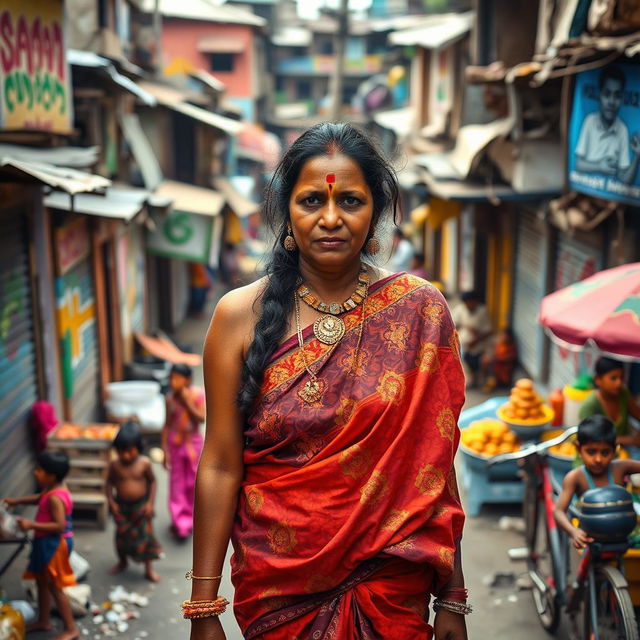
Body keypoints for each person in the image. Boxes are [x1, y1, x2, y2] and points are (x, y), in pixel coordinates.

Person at [188, 123, 468, 640]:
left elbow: (432, 466)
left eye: (352, 201)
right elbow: (222, 464)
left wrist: (453, 593)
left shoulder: (419, 311)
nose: (332, 218)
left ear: (376, 213)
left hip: (389, 588)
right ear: (286, 212)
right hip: (279, 591)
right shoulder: (237, 317)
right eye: (313, 199)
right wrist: (204, 607)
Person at [2, 450, 79, 640]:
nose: (35, 472)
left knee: (54, 586)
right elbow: (39, 498)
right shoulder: (54, 488)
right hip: (45, 541)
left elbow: (59, 525)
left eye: (39, 470)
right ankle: (44, 620)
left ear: (51, 475)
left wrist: (31, 525)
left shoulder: (55, 498)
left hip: (54, 544)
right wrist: (17, 501)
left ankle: (71, 628)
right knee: (41, 582)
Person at [554, 415, 640, 549]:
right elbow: (559, 512)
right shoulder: (576, 477)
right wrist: (573, 531)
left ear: (614, 450)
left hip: (622, 531)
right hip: (590, 532)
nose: (598, 459)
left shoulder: (621, 468)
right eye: (591, 452)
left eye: (605, 453)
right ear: (578, 449)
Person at [106, 421, 162, 582]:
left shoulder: (144, 463)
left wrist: (150, 503)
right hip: (122, 507)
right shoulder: (115, 465)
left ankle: (148, 569)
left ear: (139, 447)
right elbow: (109, 484)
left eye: (130, 451)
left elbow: (152, 482)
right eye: (121, 451)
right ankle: (122, 562)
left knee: (146, 537)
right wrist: (111, 502)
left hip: (141, 507)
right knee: (121, 537)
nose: (125, 456)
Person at [575, 65, 640, 185]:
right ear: (599, 94)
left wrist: (637, 155)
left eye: (617, 96)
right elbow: (578, 164)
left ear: (622, 99)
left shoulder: (622, 130)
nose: (611, 102)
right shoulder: (589, 121)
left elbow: (625, 180)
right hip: (585, 192)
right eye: (607, 94)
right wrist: (599, 166)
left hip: (611, 200)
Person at [162, 363, 205, 539]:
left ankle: (194, 520)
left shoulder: (197, 395)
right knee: (177, 486)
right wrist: (165, 450)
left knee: (193, 484)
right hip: (176, 445)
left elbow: (201, 419)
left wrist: (187, 402)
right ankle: (180, 523)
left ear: (187, 380)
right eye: (171, 378)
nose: (173, 382)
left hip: (193, 444)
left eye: (177, 378)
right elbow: (166, 425)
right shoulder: (170, 399)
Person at [579, 356, 640, 447]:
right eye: (613, 378)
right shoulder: (590, 405)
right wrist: (630, 440)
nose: (619, 383)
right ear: (598, 380)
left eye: (621, 378)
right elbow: (589, 439)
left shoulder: (623, 393)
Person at [451, 291, 493, 389]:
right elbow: (453, 325)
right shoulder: (459, 310)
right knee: (464, 364)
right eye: (467, 302)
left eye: (472, 302)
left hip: (479, 344)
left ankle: (479, 381)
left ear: (476, 301)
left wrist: (476, 339)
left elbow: (488, 330)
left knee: (479, 363)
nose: (470, 305)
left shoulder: (482, 311)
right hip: (464, 344)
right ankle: (470, 382)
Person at [480, 327, 518, 392]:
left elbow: (509, 358)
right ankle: (488, 381)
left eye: (504, 335)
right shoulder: (500, 344)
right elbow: (495, 354)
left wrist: (495, 359)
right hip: (497, 367)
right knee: (485, 360)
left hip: (503, 371)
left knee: (491, 364)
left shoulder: (511, 346)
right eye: (501, 335)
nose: (502, 337)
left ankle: (492, 382)